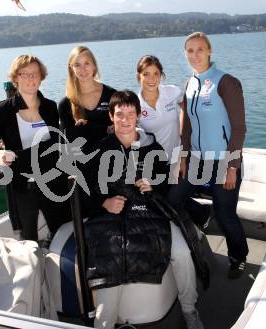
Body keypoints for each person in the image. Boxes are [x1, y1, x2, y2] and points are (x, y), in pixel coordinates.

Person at [84, 90, 203, 329]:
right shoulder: (98, 150)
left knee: (181, 253)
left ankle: (189, 309)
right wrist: (103, 203)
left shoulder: (152, 147)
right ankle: (103, 324)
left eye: (130, 114)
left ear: (138, 116)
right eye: (120, 114)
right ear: (111, 116)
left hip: (150, 211)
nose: (125, 120)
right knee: (111, 260)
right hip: (113, 217)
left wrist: (154, 184)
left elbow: (165, 181)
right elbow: (81, 191)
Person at [168, 32, 248, 279]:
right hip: (196, 160)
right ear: (185, 54)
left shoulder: (226, 82)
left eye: (200, 49)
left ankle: (239, 255)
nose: (195, 55)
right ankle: (201, 215)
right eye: (190, 50)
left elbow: (238, 128)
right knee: (173, 199)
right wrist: (183, 156)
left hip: (225, 161)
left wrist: (232, 166)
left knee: (226, 215)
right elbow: (188, 126)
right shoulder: (189, 83)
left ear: (209, 51)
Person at [0, 55, 70, 241]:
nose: (31, 79)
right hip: (22, 186)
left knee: (62, 232)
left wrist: (17, 155)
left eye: (35, 74)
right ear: (16, 78)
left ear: (41, 77)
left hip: (53, 181)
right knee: (27, 239)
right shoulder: (3, 110)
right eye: (25, 74)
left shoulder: (50, 107)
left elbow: (55, 145)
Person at [136, 55, 211, 227]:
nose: (151, 79)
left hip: (182, 157)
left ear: (161, 75)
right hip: (156, 164)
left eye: (156, 74)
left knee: (172, 199)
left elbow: (189, 107)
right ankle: (202, 214)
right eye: (146, 74)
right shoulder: (136, 104)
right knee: (160, 198)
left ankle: (199, 218)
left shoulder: (171, 92)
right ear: (139, 75)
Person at [58, 46, 116, 151]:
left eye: (87, 63)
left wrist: (85, 128)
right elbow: (66, 143)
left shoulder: (112, 95)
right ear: (71, 68)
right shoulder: (65, 104)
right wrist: (105, 129)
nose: (83, 69)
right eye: (77, 65)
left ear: (94, 66)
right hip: (82, 164)